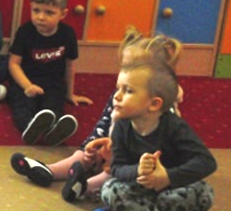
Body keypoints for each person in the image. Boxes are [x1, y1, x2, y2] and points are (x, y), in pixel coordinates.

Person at [11, 27, 183, 198]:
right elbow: (105, 123)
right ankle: (50, 170)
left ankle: (84, 188)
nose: (123, 75)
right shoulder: (119, 96)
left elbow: (156, 151)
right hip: (109, 150)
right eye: (123, 68)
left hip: (135, 164)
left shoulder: (161, 108)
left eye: (131, 69)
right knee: (81, 156)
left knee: (116, 174)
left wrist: (115, 157)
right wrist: (93, 147)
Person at [93, 62, 217, 211]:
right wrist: (137, 170)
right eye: (118, 88)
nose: (116, 96)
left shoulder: (175, 127)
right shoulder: (121, 127)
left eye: (128, 90)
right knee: (110, 190)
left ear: (153, 104)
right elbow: (117, 169)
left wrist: (167, 177)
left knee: (204, 194)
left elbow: (207, 162)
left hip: (171, 191)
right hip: (137, 189)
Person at [8, 0, 92, 145]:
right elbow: (13, 63)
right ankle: (29, 128)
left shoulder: (68, 34)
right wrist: (27, 86)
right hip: (26, 82)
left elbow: (70, 66)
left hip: (53, 84)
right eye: (36, 10)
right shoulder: (25, 32)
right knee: (22, 106)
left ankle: (54, 131)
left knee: (53, 106)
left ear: (63, 14)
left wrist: (69, 93)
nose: (40, 17)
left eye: (49, 13)